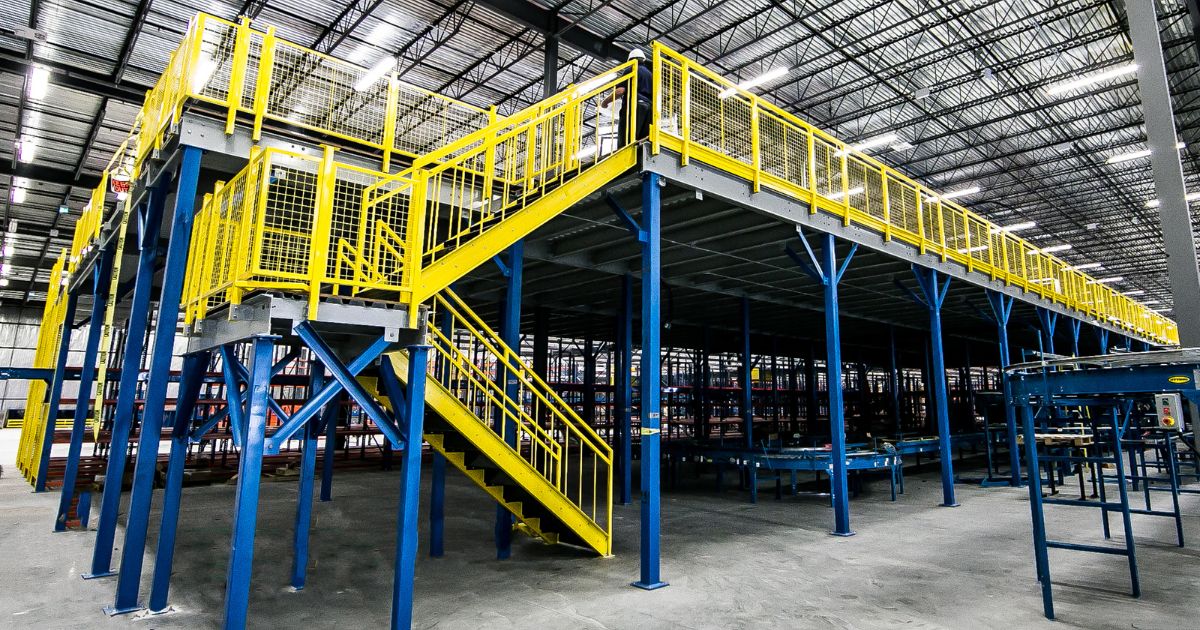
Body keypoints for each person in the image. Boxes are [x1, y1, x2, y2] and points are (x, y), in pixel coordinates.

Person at [601, 48, 653, 148]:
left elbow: (620, 91)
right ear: (643, 59)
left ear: (630, 61)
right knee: (642, 139)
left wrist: (605, 102)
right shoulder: (650, 75)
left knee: (626, 139)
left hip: (635, 106)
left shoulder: (631, 69)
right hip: (649, 109)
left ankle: (624, 151)